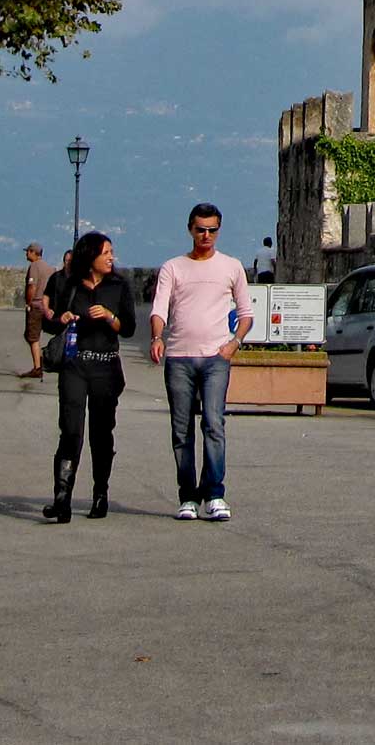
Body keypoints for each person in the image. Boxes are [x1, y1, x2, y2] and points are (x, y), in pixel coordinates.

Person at [148, 202, 252, 523]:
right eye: (200, 230)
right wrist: (157, 336)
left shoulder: (231, 267)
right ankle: (187, 496)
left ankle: (215, 493)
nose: (206, 235)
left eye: (212, 230)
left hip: (215, 358)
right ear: (190, 230)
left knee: (214, 424)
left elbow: (246, 313)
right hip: (179, 357)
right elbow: (159, 309)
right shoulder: (173, 268)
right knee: (181, 429)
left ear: (218, 231)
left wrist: (233, 344)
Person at [42, 230, 136, 522]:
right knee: (70, 430)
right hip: (75, 365)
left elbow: (130, 328)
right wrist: (63, 318)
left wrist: (109, 316)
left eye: (111, 252)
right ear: (90, 256)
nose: (111, 257)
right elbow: (51, 325)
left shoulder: (119, 286)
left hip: (105, 367)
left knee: (101, 432)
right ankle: (62, 498)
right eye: (105, 253)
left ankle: (100, 494)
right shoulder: (68, 285)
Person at [20, 241, 51, 379]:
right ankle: (41, 360)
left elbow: (32, 286)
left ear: (34, 252)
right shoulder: (49, 268)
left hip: (36, 305)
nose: (26, 253)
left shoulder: (34, 267)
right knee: (35, 335)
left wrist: (28, 302)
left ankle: (37, 367)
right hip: (46, 305)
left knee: (32, 337)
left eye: (28, 251)